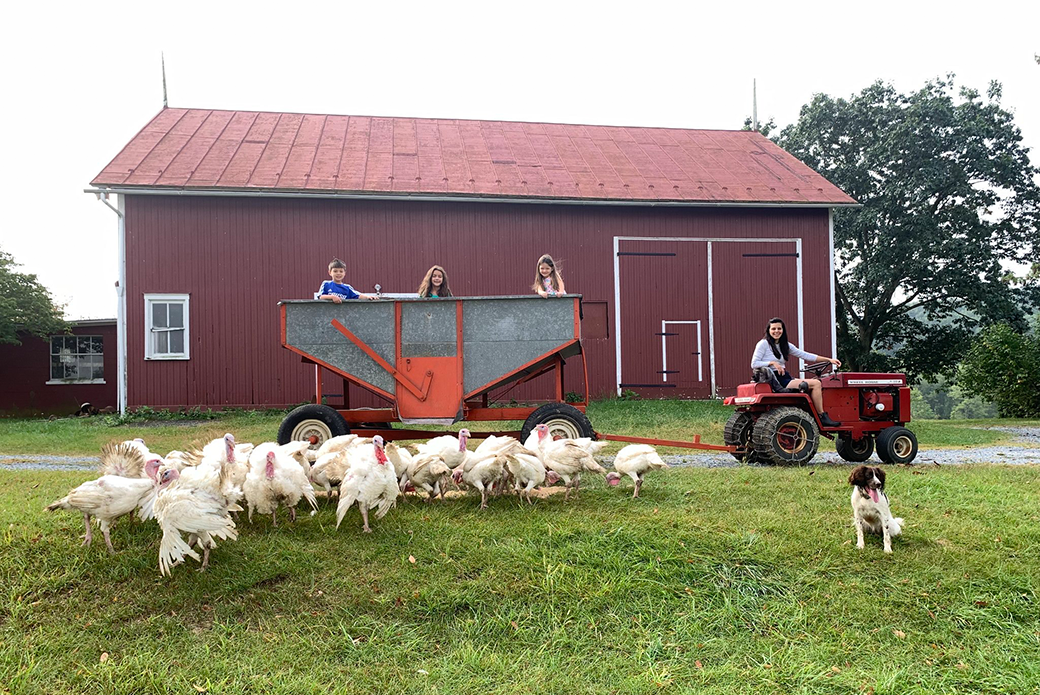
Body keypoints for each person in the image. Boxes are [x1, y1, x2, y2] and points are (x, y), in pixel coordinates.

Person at [751, 317, 842, 427]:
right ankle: (821, 416)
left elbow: (805, 355)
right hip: (775, 379)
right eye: (773, 329)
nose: (776, 331)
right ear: (769, 331)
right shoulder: (763, 344)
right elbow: (754, 363)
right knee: (817, 383)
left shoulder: (786, 345)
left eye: (779, 328)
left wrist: (828, 360)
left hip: (784, 377)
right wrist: (772, 363)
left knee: (811, 382)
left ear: (783, 330)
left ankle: (810, 412)